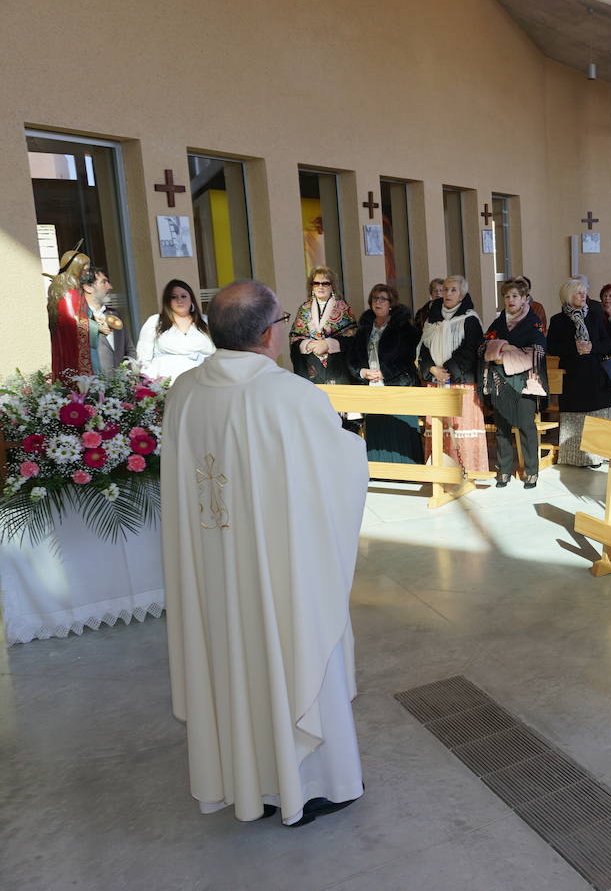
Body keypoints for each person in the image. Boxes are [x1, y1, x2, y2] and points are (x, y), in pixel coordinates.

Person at [162, 279, 366, 827]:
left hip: (214, 575)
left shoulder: (182, 393)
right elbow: (338, 475)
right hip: (280, 578)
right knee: (293, 645)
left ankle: (240, 776)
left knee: (228, 657)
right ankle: (315, 782)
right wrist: (354, 446)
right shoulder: (292, 397)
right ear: (269, 335)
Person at [417, 274, 488, 472]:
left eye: (453, 290)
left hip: (460, 382)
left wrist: (446, 372)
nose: (447, 293)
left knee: (460, 427)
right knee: (438, 429)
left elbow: (470, 351)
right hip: (435, 381)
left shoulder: (470, 319)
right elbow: (423, 347)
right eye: (446, 289)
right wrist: (431, 369)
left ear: (462, 294)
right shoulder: (433, 318)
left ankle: (468, 471)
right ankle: (440, 470)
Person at [346, 283, 423, 465]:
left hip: (398, 385)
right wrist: (362, 372)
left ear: (391, 304)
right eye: (375, 298)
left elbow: (408, 357)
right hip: (371, 386)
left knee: (399, 428)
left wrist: (384, 372)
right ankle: (380, 470)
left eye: (383, 299)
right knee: (378, 429)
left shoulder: (404, 328)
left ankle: (406, 470)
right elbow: (352, 357)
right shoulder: (364, 327)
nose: (378, 302)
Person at [483, 279, 547, 488]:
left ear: (524, 299)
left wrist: (505, 356)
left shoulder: (533, 322)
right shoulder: (498, 322)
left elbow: (537, 352)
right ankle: (503, 470)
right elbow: (484, 347)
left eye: (515, 296)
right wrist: (505, 346)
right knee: (501, 427)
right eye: (507, 296)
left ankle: (531, 471)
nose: (510, 300)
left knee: (526, 426)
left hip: (526, 382)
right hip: (500, 381)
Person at [548, 275, 611, 467]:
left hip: (595, 375)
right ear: (568, 296)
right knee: (576, 418)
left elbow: (608, 344)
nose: (583, 294)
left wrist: (592, 347)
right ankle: (578, 458)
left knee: (597, 416)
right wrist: (573, 347)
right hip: (573, 377)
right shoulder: (558, 320)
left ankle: (598, 455)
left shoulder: (594, 315)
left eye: (584, 291)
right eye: (578, 292)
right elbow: (552, 347)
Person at [136, 279, 216, 381]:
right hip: (166, 383)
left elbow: (219, 352)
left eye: (183, 296)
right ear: (167, 301)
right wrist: (148, 384)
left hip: (204, 379)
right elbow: (143, 358)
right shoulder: (155, 321)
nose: (179, 300)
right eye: (174, 297)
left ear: (191, 299)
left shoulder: (207, 322)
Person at [290, 267, 357, 383]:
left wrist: (329, 344)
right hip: (311, 365)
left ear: (332, 286)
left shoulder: (343, 308)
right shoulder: (304, 309)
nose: (320, 287)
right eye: (316, 283)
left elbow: (353, 339)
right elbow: (294, 338)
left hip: (337, 367)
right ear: (311, 286)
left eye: (325, 283)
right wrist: (307, 344)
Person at [80, 265, 136, 373]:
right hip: (92, 385)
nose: (110, 287)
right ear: (88, 287)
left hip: (120, 385)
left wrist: (129, 374)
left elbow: (129, 349)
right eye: (104, 282)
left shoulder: (115, 314)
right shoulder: (81, 318)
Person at [46, 249, 93, 376]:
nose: (87, 273)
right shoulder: (69, 293)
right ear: (76, 269)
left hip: (66, 344)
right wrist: (96, 325)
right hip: (72, 349)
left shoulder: (67, 289)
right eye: (85, 269)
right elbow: (72, 320)